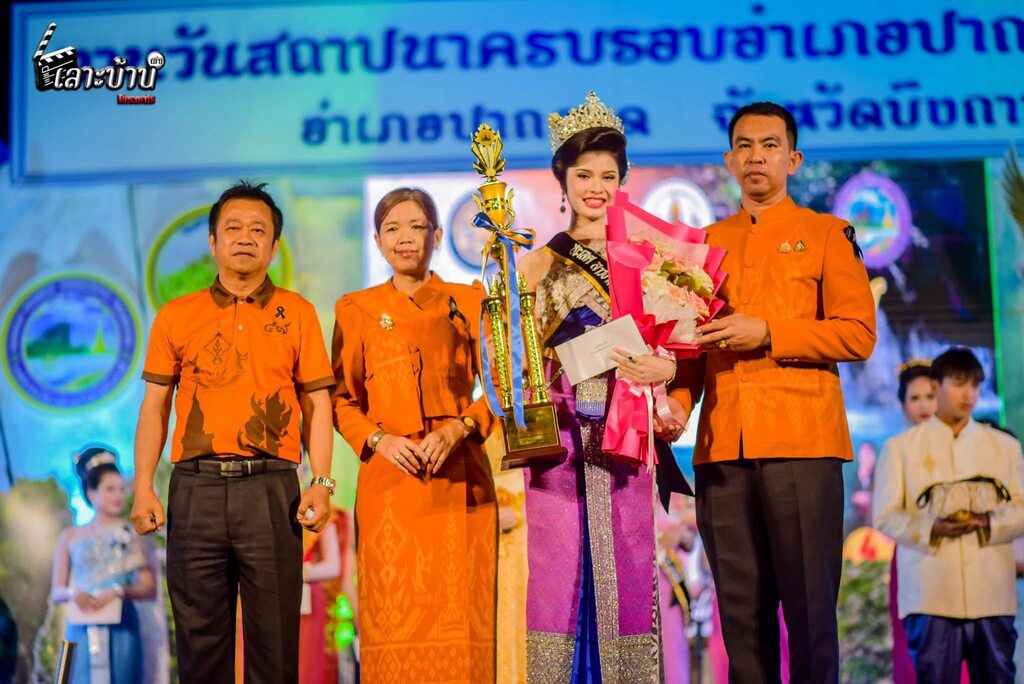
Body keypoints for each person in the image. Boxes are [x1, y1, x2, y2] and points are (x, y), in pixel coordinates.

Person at [671, 101, 877, 682]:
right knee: (741, 624)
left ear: (793, 158)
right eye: (745, 145)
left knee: (811, 618)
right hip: (723, 451)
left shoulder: (826, 234)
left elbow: (858, 333)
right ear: (729, 160)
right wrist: (676, 406)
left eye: (769, 145)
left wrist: (768, 332)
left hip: (803, 446)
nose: (756, 156)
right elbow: (689, 349)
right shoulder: (702, 246)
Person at [131, 181, 336, 683]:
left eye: (258, 230)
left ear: (274, 245)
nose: (245, 238)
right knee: (200, 648)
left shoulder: (299, 313)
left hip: (271, 490)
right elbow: (155, 406)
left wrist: (321, 482)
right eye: (234, 228)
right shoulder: (177, 315)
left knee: (275, 648)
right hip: (195, 490)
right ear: (213, 241)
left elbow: (317, 403)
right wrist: (143, 487)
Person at [516, 91, 683, 681]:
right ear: (562, 178)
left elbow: (672, 347)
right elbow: (520, 366)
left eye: (608, 176)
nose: (596, 187)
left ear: (623, 182)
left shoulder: (650, 263)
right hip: (560, 443)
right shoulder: (533, 266)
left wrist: (666, 374)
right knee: (557, 572)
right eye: (584, 174)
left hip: (626, 439)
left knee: (627, 569)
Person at [331, 187, 497, 682]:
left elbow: (502, 387)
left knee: (465, 625)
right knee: (393, 621)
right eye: (392, 228)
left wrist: (461, 427)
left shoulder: (470, 300)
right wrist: (379, 440)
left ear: (438, 236)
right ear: (377, 241)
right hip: (389, 483)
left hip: (460, 475)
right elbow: (341, 399)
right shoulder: (355, 309)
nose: (405, 238)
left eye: (417, 226)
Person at [873, 347, 1024, 682]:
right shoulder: (901, 449)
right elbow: (883, 515)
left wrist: (989, 523)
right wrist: (932, 528)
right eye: (958, 384)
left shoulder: (1004, 446)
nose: (968, 394)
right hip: (930, 595)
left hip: (992, 593)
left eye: (974, 385)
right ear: (936, 385)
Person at [51, 445, 157, 684]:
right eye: (110, 489)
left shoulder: (134, 533)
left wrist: (119, 591)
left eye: (121, 489)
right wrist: (73, 593)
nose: (118, 495)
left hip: (123, 626)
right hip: (81, 626)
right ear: (91, 493)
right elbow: (57, 591)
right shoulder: (70, 536)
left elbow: (150, 588)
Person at [885, 360, 938, 684]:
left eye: (930, 396)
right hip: (910, 555)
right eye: (915, 398)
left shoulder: (959, 448)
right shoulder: (897, 451)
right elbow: (886, 513)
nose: (923, 405)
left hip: (951, 556)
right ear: (903, 404)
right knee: (912, 642)